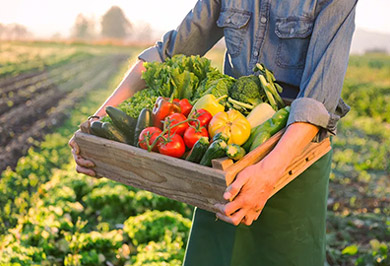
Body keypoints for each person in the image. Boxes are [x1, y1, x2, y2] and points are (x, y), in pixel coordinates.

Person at [69, 0, 357, 264]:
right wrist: (96, 122)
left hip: (294, 154)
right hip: (228, 153)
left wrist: (268, 174)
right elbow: (169, 52)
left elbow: (318, 97)